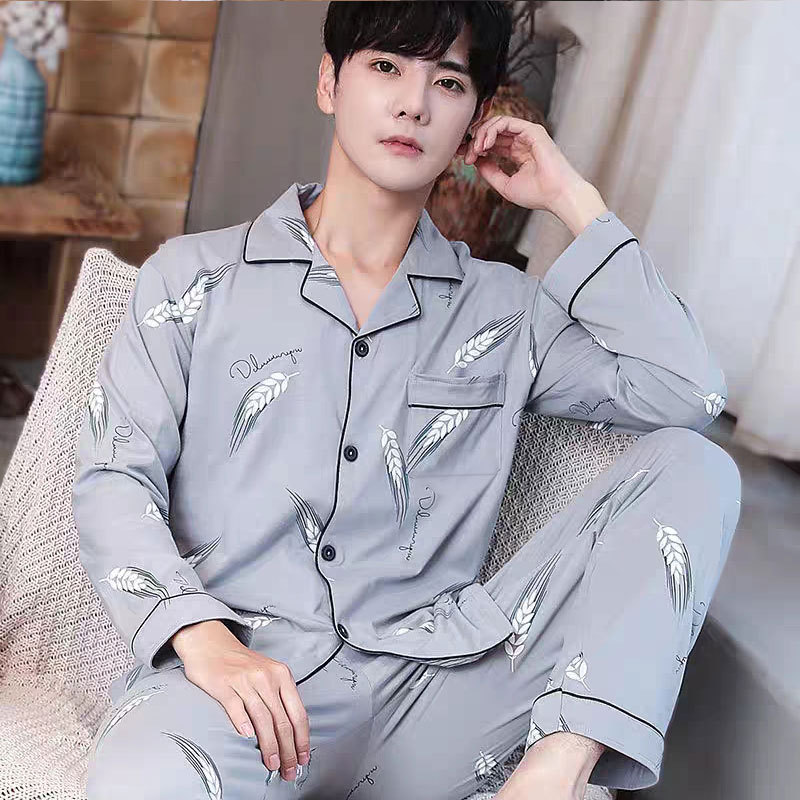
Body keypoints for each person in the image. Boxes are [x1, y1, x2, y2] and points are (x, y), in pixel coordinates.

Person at [72, 2, 741, 798]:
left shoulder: (508, 313)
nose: (413, 103)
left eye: (448, 82)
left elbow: (690, 390)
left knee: (697, 466)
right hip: (240, 692)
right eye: (386, 66)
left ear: (472, 126)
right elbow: (114, 479)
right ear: (330, 82)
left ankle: (551, 777)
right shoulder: (191, 282)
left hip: (437, 698)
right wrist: (201, 637)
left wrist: (570, 197)